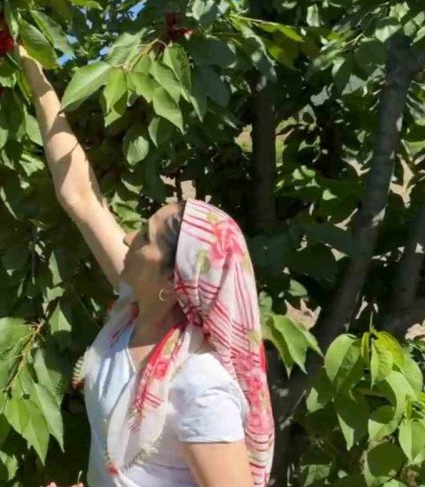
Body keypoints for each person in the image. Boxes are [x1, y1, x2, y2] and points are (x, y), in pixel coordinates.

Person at [17, 44, 275, 487]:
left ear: (175, 283)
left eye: (146, 237)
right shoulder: (137, 307)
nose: (127, 236)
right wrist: (33, 71)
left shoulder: (198, 383)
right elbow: (79, 194)